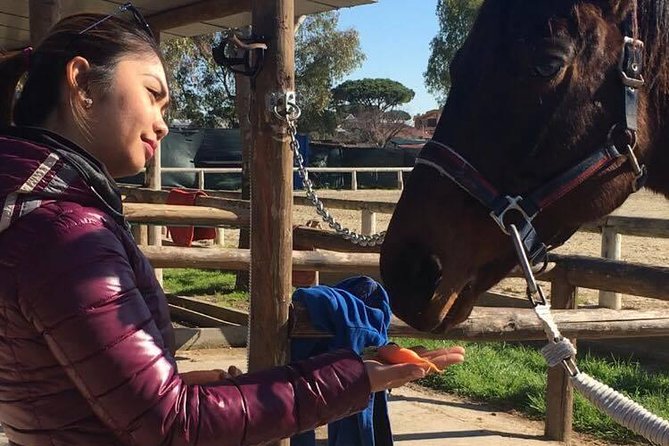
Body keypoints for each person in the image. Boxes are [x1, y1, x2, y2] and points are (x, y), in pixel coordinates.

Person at [0, 5, 466, 446]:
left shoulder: (35, 210)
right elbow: (173, 426)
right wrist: (354, 378)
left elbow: (64, 392)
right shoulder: (67, 235)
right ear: (81, 83)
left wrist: (172, 384)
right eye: (152, 94)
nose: (163, 124)